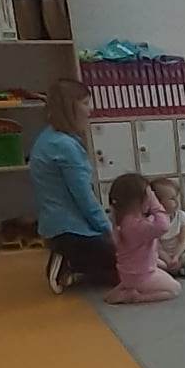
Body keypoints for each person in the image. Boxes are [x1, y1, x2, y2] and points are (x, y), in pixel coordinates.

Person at [29, 77, 118, 292]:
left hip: (59, 228)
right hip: (72, 231)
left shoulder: (49, 137)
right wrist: (107, 229)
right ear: (70, 108)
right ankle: (69, 261)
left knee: (131, 259)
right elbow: (84, 197)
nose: (90, 110)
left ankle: (73, 261)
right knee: (131, 263)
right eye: (85, 103)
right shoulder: (64, 146)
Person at [104, 173, 180, 304]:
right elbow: (163, 226)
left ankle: (125, 287)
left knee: (163, 268)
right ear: (139, 200)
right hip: (142, 276)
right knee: (174, 289)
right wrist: (155, 203)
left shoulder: (124, 221)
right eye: (149, 196)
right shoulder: (136, 226)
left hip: (131, 273)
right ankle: (134, 296)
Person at [152, 175, 185, 277]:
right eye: (172, 198)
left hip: (179, 253)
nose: (176, 201)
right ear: (158, 202)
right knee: (148, 259)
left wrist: (176, 257)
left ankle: (174, 268)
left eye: (176, 197)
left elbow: (183, 241)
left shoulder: (182, 216)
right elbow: (156, 246)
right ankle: (178, 270)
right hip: (160, 255)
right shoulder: (152, 220)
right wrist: (167, 259)